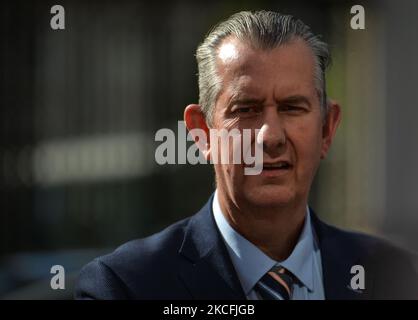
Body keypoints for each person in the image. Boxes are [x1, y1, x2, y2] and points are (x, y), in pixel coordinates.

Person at [75, 10, 418, 300]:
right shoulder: (125, 287)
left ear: (327, 128)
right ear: (202, 133)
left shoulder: (393, 276)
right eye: (247, 109)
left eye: (292, 107)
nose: (270, 136)